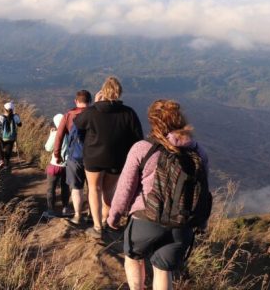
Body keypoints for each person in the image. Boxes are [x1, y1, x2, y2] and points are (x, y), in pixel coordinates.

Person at [107, 100, 211, 290]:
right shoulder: (198, 152)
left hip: (145, 220)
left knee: (133, 257)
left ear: (154, 122)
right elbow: (203, 191)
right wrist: (202, 222)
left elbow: (125, 188)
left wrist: (114, 216)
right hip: (182, 225)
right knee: (163, 270)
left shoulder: (142, 148)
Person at [74, 76, 143, 239]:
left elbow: (77, 123)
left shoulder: (92, 111)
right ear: (119, 93)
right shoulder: (128, 113)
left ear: (102, 92)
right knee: (109, 191)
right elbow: (138, 139)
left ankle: (97, 228)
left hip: (93, 158)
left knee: (94, 189)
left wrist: (95, 104)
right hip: (117, 160)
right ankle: (106, 221)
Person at [53, 90, 92, 225]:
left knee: (77, 187)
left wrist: (57, 154)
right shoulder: (94, 114)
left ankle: (77, 215)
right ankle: (91, 214)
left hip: (75, 157)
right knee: (92, 188)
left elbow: (59, 136)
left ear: (76, 101)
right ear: (89, 101)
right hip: (93, 156)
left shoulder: (69, 115)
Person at [43, 113, 70, 219]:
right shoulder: (70, 133)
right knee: (65, 187)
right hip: (67, 166)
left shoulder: (55, 134)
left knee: (51, 189)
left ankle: (51, 211)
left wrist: (51, 134)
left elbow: (48, 148)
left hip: (55, 165)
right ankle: (65, 208)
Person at [0, 101, 22, 170]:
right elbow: (20, 125)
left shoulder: (0, 117)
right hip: (11, 137)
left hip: (1, 137)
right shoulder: (16, 117)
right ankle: (6, 164)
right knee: (8, 151)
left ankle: (1, 160)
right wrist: (17, 118)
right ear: (13, 109)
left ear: (4, 109)